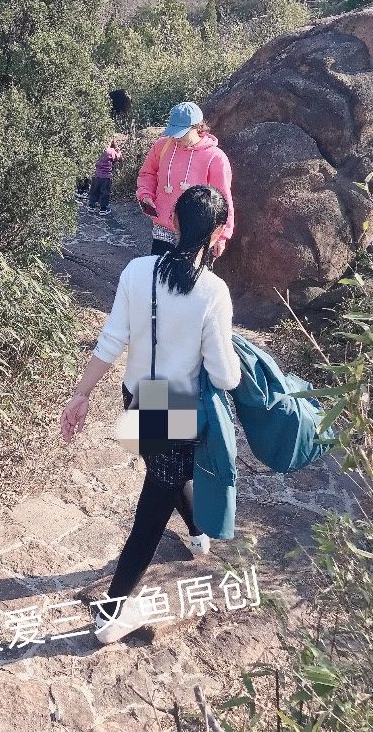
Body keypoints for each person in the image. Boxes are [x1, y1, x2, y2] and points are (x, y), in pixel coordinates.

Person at [59, 186, 241, 644]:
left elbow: (111, 341)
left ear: (173, 222)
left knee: (164, 474)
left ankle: (197, 532)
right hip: (176, 408)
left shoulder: (137, 271)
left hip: (137, 397)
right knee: (150, 516)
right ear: (217, 234)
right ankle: (111, 615)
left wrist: (80, 394)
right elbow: (225, 375)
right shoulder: (213, 292)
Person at [136, 102, 234, 258]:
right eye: (173, 132)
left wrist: (221, 236)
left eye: (181, 132)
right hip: (163, 229)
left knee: (189, 274)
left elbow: (223, 199)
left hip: (197, 233)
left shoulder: (215, 157)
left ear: (197, 127)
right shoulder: (162, 146)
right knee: (160, 272)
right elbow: (147, 174)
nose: (176, 137)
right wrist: (145, 194)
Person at [86, 139, 122, 216]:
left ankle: (91, 206)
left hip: (96, 175)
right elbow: (117, 158)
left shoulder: (98, 150)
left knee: (94, 191)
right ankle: (103, 209)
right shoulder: (111, 151)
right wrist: (119, 152)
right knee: (105, 193)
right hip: (106, 176)